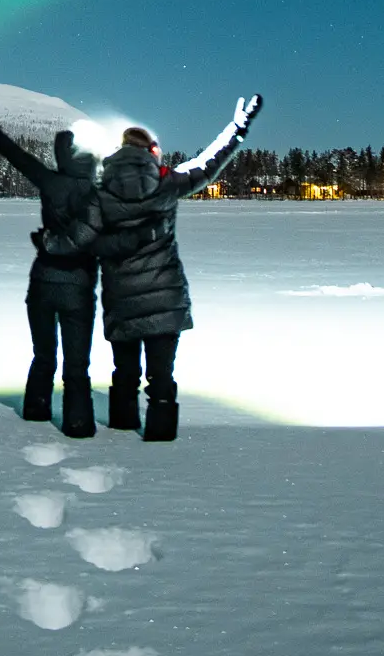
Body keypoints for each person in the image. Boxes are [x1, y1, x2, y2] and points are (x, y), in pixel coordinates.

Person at [94, 93, 262, 443]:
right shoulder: (166, 181)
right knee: (161, 374)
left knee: (124, 370)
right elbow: (207, 164)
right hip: (164, 295)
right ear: (151, 151)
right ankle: (160, 433)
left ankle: (121, 428)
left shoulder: (101, 189)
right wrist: (238, 129)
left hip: (121, 296)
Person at [0, 104, 102, 438]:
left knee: (43, 354)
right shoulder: (98, 194)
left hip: (42, 283)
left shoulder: (49, 181)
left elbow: (14, 154)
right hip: (79, 286)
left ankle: (36, 410)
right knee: (77, 365)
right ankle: (77, 423)